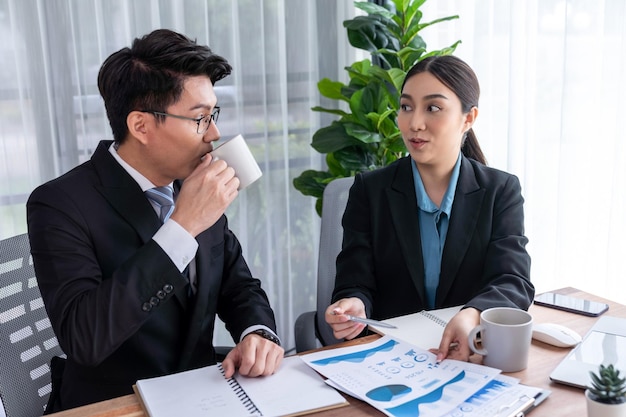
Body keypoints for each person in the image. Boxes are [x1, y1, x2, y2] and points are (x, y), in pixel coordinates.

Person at [27, 29, 283, 412]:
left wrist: (257, 332)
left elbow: (238, 286)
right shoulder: (59, 204)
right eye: (199, 119)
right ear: (141, 126)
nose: (214, 133)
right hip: (114, 405)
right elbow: (85, 338)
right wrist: (181, 228)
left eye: (213, 114)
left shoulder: (192, 181)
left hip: (203, 395)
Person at [325, 55, 534, 363]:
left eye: (433, 108)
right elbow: (355, 279)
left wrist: (472, 315)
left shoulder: (500, 191)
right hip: (390, 360)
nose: (414, 123)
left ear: (468, 118)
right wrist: (354, 302)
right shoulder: (370, 191)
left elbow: (512, 279)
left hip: (467, 357)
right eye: (406, 107)